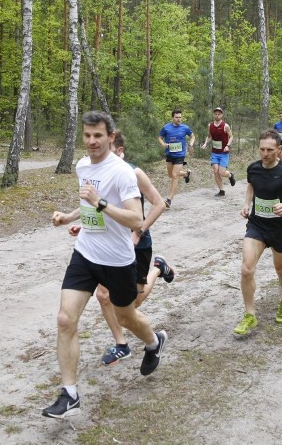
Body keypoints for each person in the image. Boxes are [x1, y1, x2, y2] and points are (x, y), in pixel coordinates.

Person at [45, 111, 167, 419]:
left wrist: (100, 203)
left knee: (126, 317)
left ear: (110, 137)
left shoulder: (123, 171)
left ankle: (153, 342)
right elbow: (89, 202)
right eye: (87, 135)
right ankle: (70, 395)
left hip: (117, 261)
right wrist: (71, 218)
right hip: (85, 255)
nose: (91, 141)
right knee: (64, 319)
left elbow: (135, 218)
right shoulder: (82, 165)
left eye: (98, 135)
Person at [95, 130, 173, 366]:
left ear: (120, 151)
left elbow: (159, 204)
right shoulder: (100, 174)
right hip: (109, 244)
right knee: (103, 295)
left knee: (133, 304)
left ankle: (158, 268)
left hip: (137, 245)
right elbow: (99, 207)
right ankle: (121, 344)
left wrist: (138, 232)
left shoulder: (134, 172)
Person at [234, 129, 282, 335]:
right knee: (246, 269)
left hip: (279, 229)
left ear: (279, 150)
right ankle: (249, 315)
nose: (265, 153)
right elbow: (251, 186)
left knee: (281, 269)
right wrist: (246, 204)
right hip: (257, 226)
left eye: (269, 150)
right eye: (262, 149)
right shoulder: (253, 168)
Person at [158, 109, 194, 207]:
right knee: (170, 174)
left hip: (180, 155)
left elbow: (192, 136)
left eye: (180, 117)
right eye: (177, 117)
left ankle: (169, 200)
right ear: (173, 118)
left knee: (174, 175)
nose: (179, 119)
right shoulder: (166, 128)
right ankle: (186, 174)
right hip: (169, 154)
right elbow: (160, 137)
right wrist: (163, 144)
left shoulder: (185, 128)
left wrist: (190, 144)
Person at [201, 107, 236, 196]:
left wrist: (227, 146)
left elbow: (231, 137)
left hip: (224, 153)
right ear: (214, 115)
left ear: (222, 115)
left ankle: (230, 175)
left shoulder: (225, 126)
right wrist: (205, 143)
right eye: (215, 114)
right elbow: (209, 136)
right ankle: (221, 191)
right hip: (215, 152)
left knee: (222, 172)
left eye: (219, 114)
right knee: (215, 171)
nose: (217, 115)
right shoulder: (210, 125)